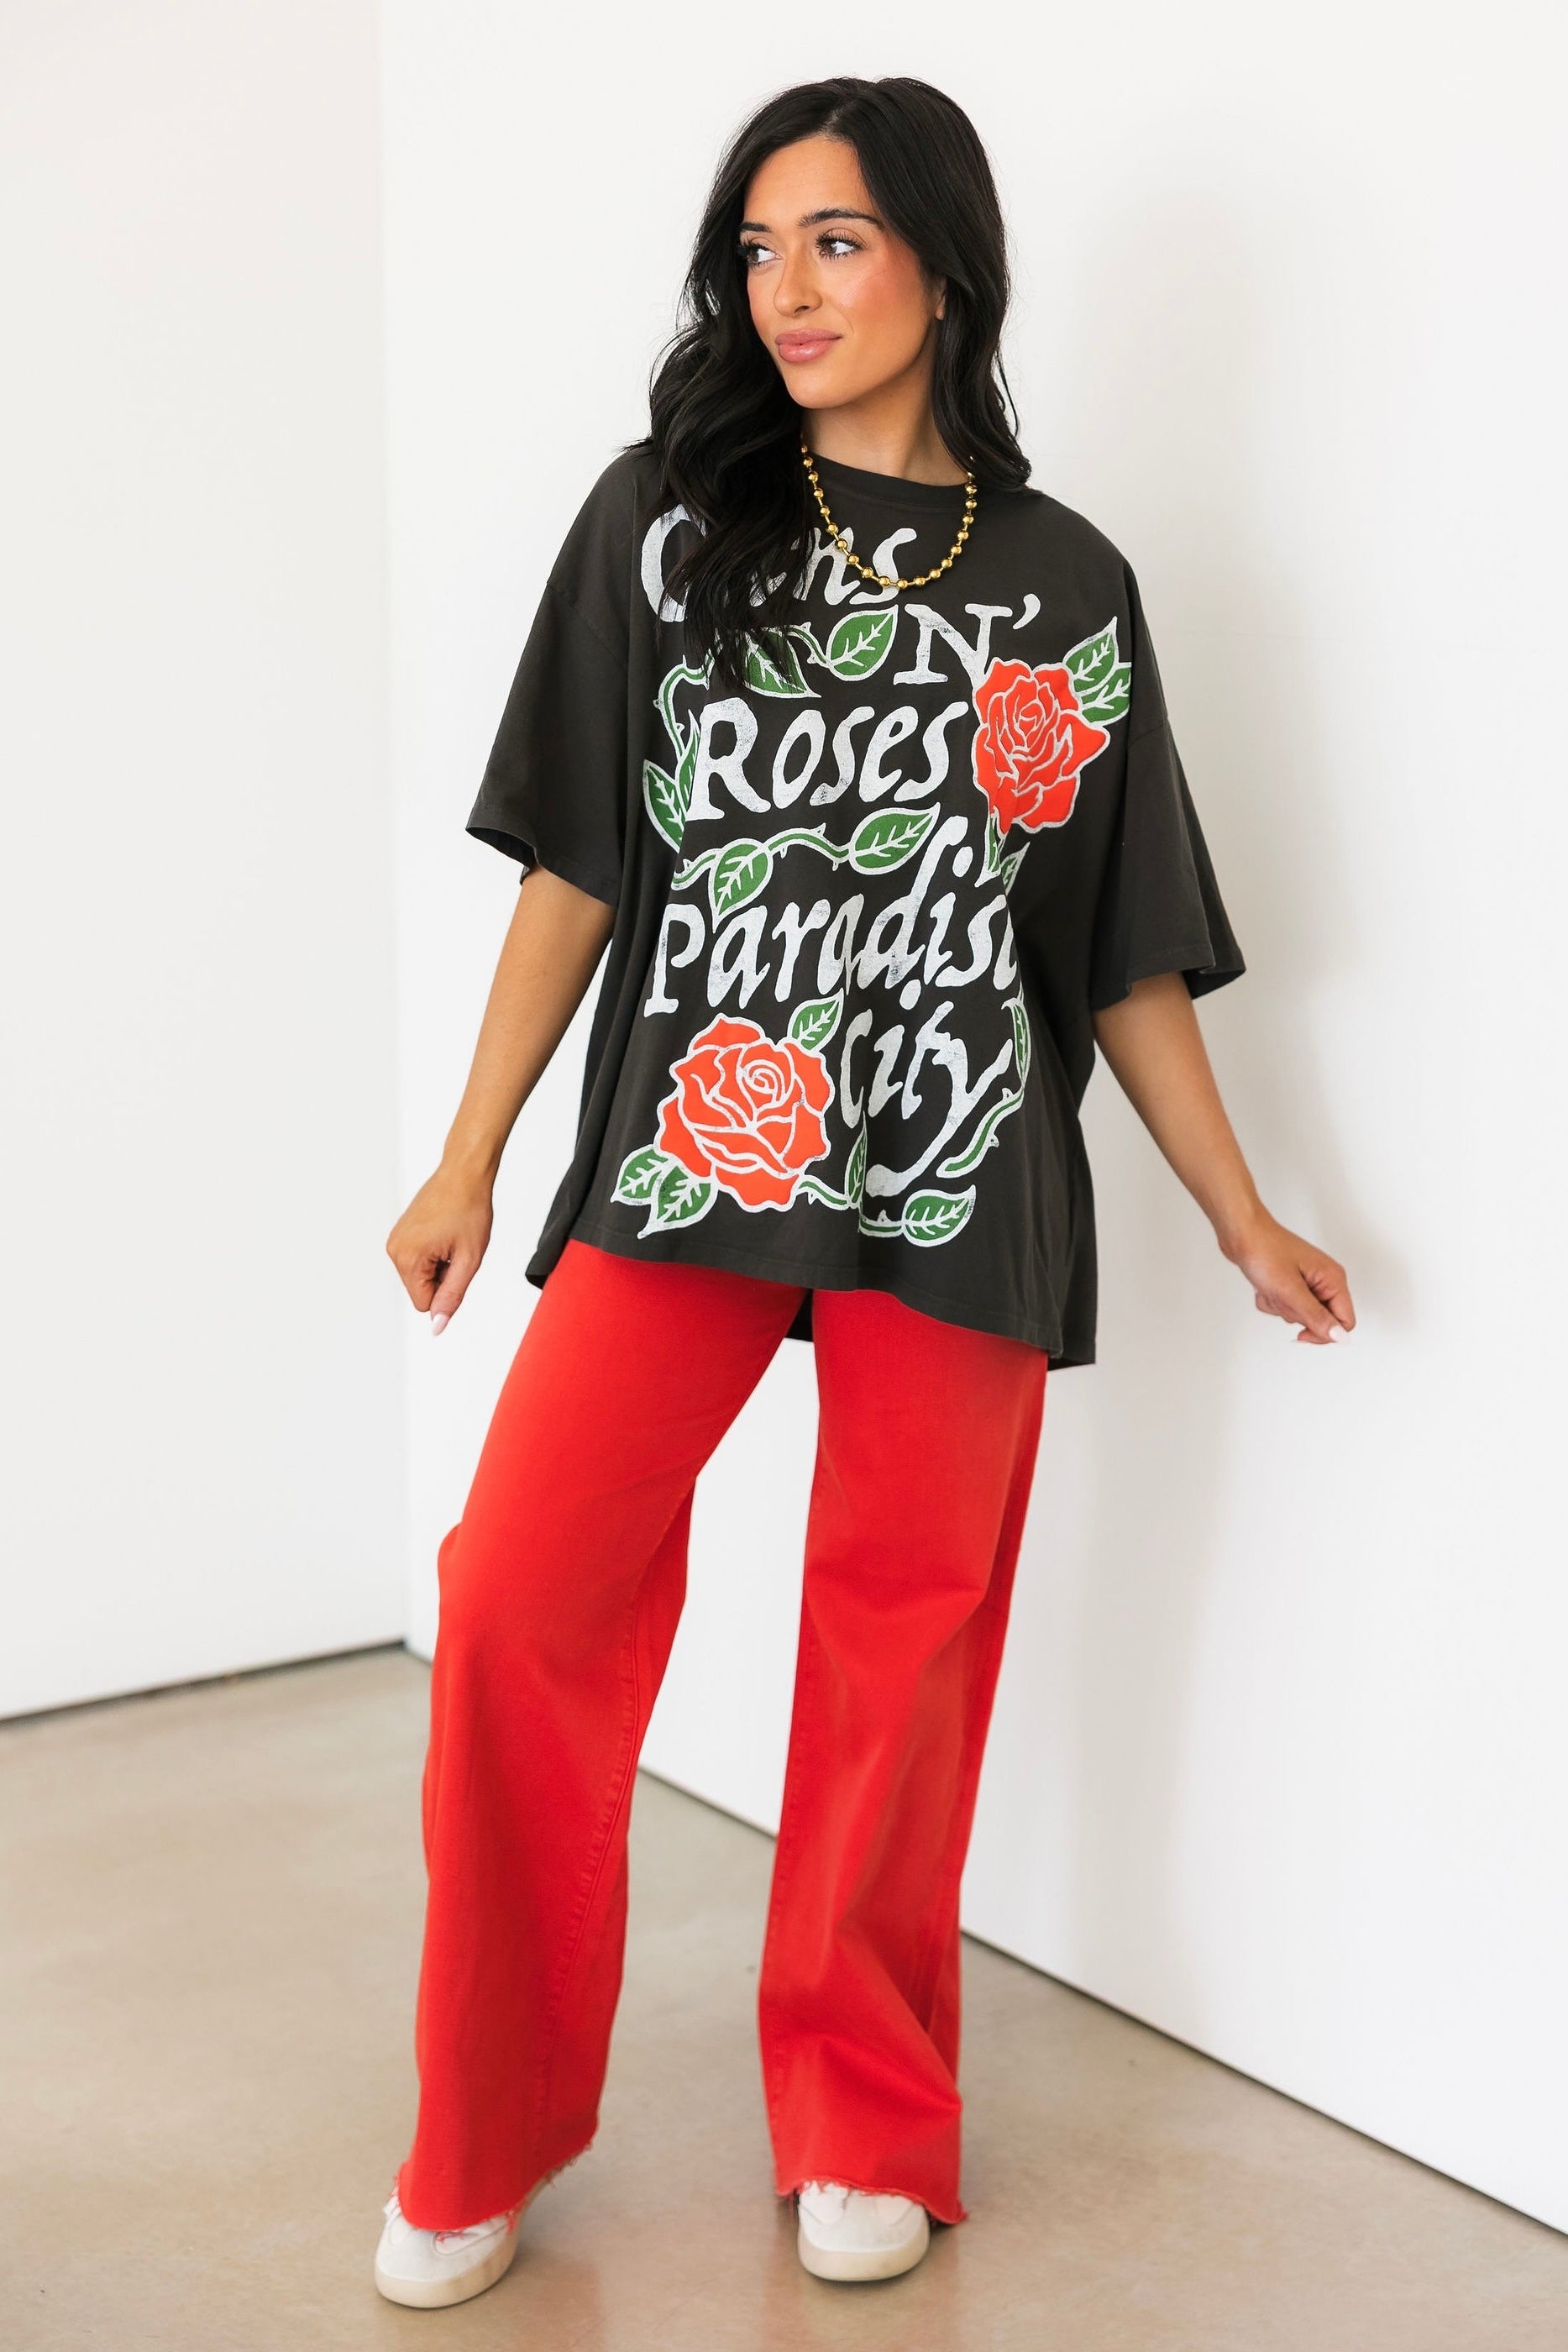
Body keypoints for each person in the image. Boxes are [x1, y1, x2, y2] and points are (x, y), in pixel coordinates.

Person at [374, 75, 1355, 2310]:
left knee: (901, 1649)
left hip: (960, 1172)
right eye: (757, 248)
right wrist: (469, 1151)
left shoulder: (1060, 582)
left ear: (940, 259)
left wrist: (1239, 1212)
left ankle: (865, 2114)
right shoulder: (665, 523)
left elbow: (1112, 949)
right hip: (683, 1159)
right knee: (516, 1596)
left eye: (833, 240)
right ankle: (477, 2135)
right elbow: (579, 865)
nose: (786, 290)